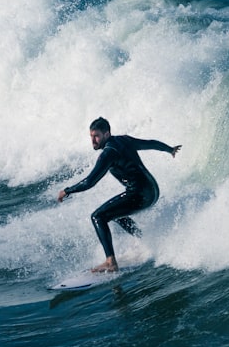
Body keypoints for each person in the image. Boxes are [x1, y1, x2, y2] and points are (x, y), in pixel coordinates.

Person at [57, 117, 181, 273]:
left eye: (96, 136)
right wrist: (169, 149)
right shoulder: (124, 140)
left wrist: (67, 191)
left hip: (140, 194)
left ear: (106, 134)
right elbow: (150, 143)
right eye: (91, 136)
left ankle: (110, 261)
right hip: (153, 190)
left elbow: (89, 182)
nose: (93, 141)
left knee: (98, 216)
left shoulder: (109, 153)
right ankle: (145, 240)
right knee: (114, 213)